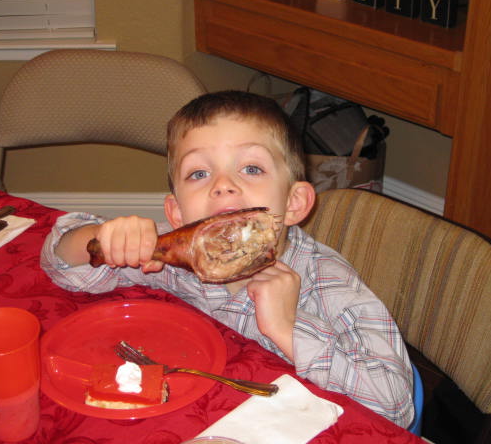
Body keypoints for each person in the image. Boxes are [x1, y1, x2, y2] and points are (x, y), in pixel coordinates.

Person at [41, 90, 414, 428]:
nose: (223, 185)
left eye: (251, 168)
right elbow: (62, 268)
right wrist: (105, 238)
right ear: (177, 213)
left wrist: (288, 327)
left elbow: (395, 406)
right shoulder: (169, 256)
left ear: (294, 203)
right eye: (199, 173)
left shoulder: (327, 282)